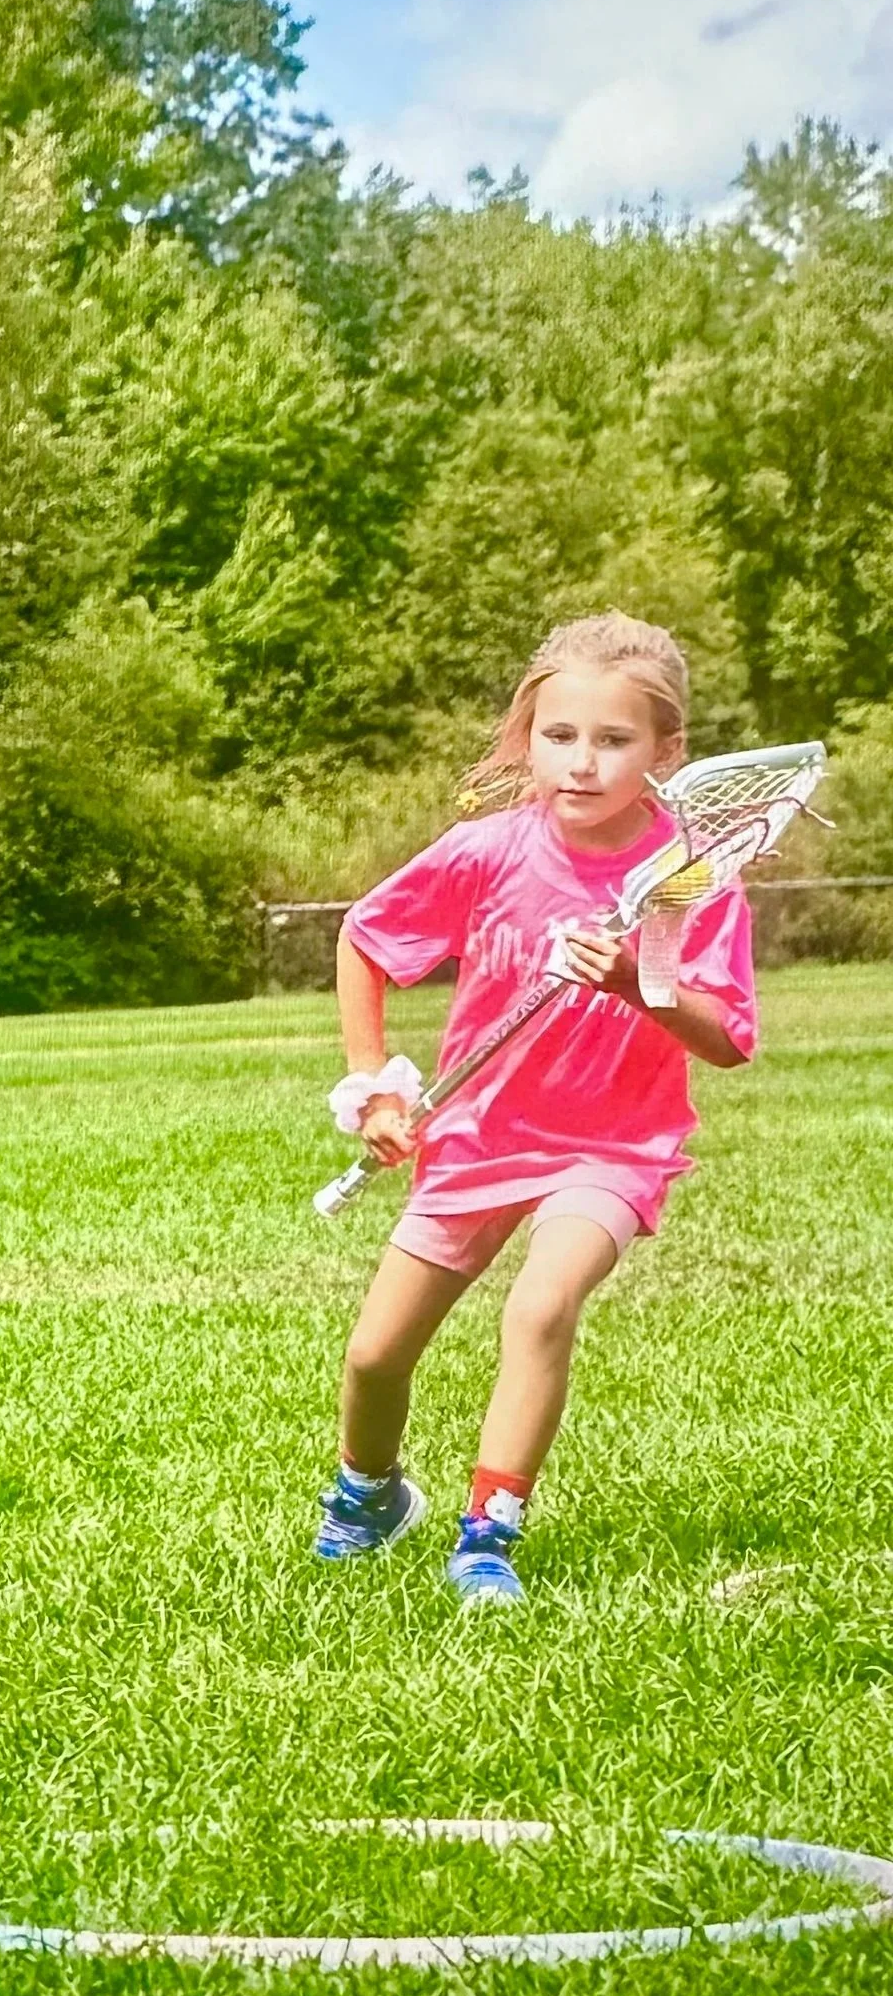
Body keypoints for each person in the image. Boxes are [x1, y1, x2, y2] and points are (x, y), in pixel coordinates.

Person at [312, 611, 756, 1605]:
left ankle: (487, 1533)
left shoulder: (690, 882)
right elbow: (366, 936)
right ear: (528, 736)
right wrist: (375, 1079)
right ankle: (370, 1494)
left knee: (541, 1301)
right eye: (561, 736)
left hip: (612, 1144)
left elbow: (726, 1038)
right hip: (478, 1139)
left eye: (615, 740)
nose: (584, 763)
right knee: (376, 1354)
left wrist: (647, 991)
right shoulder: (488, 848)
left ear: (667, 750)